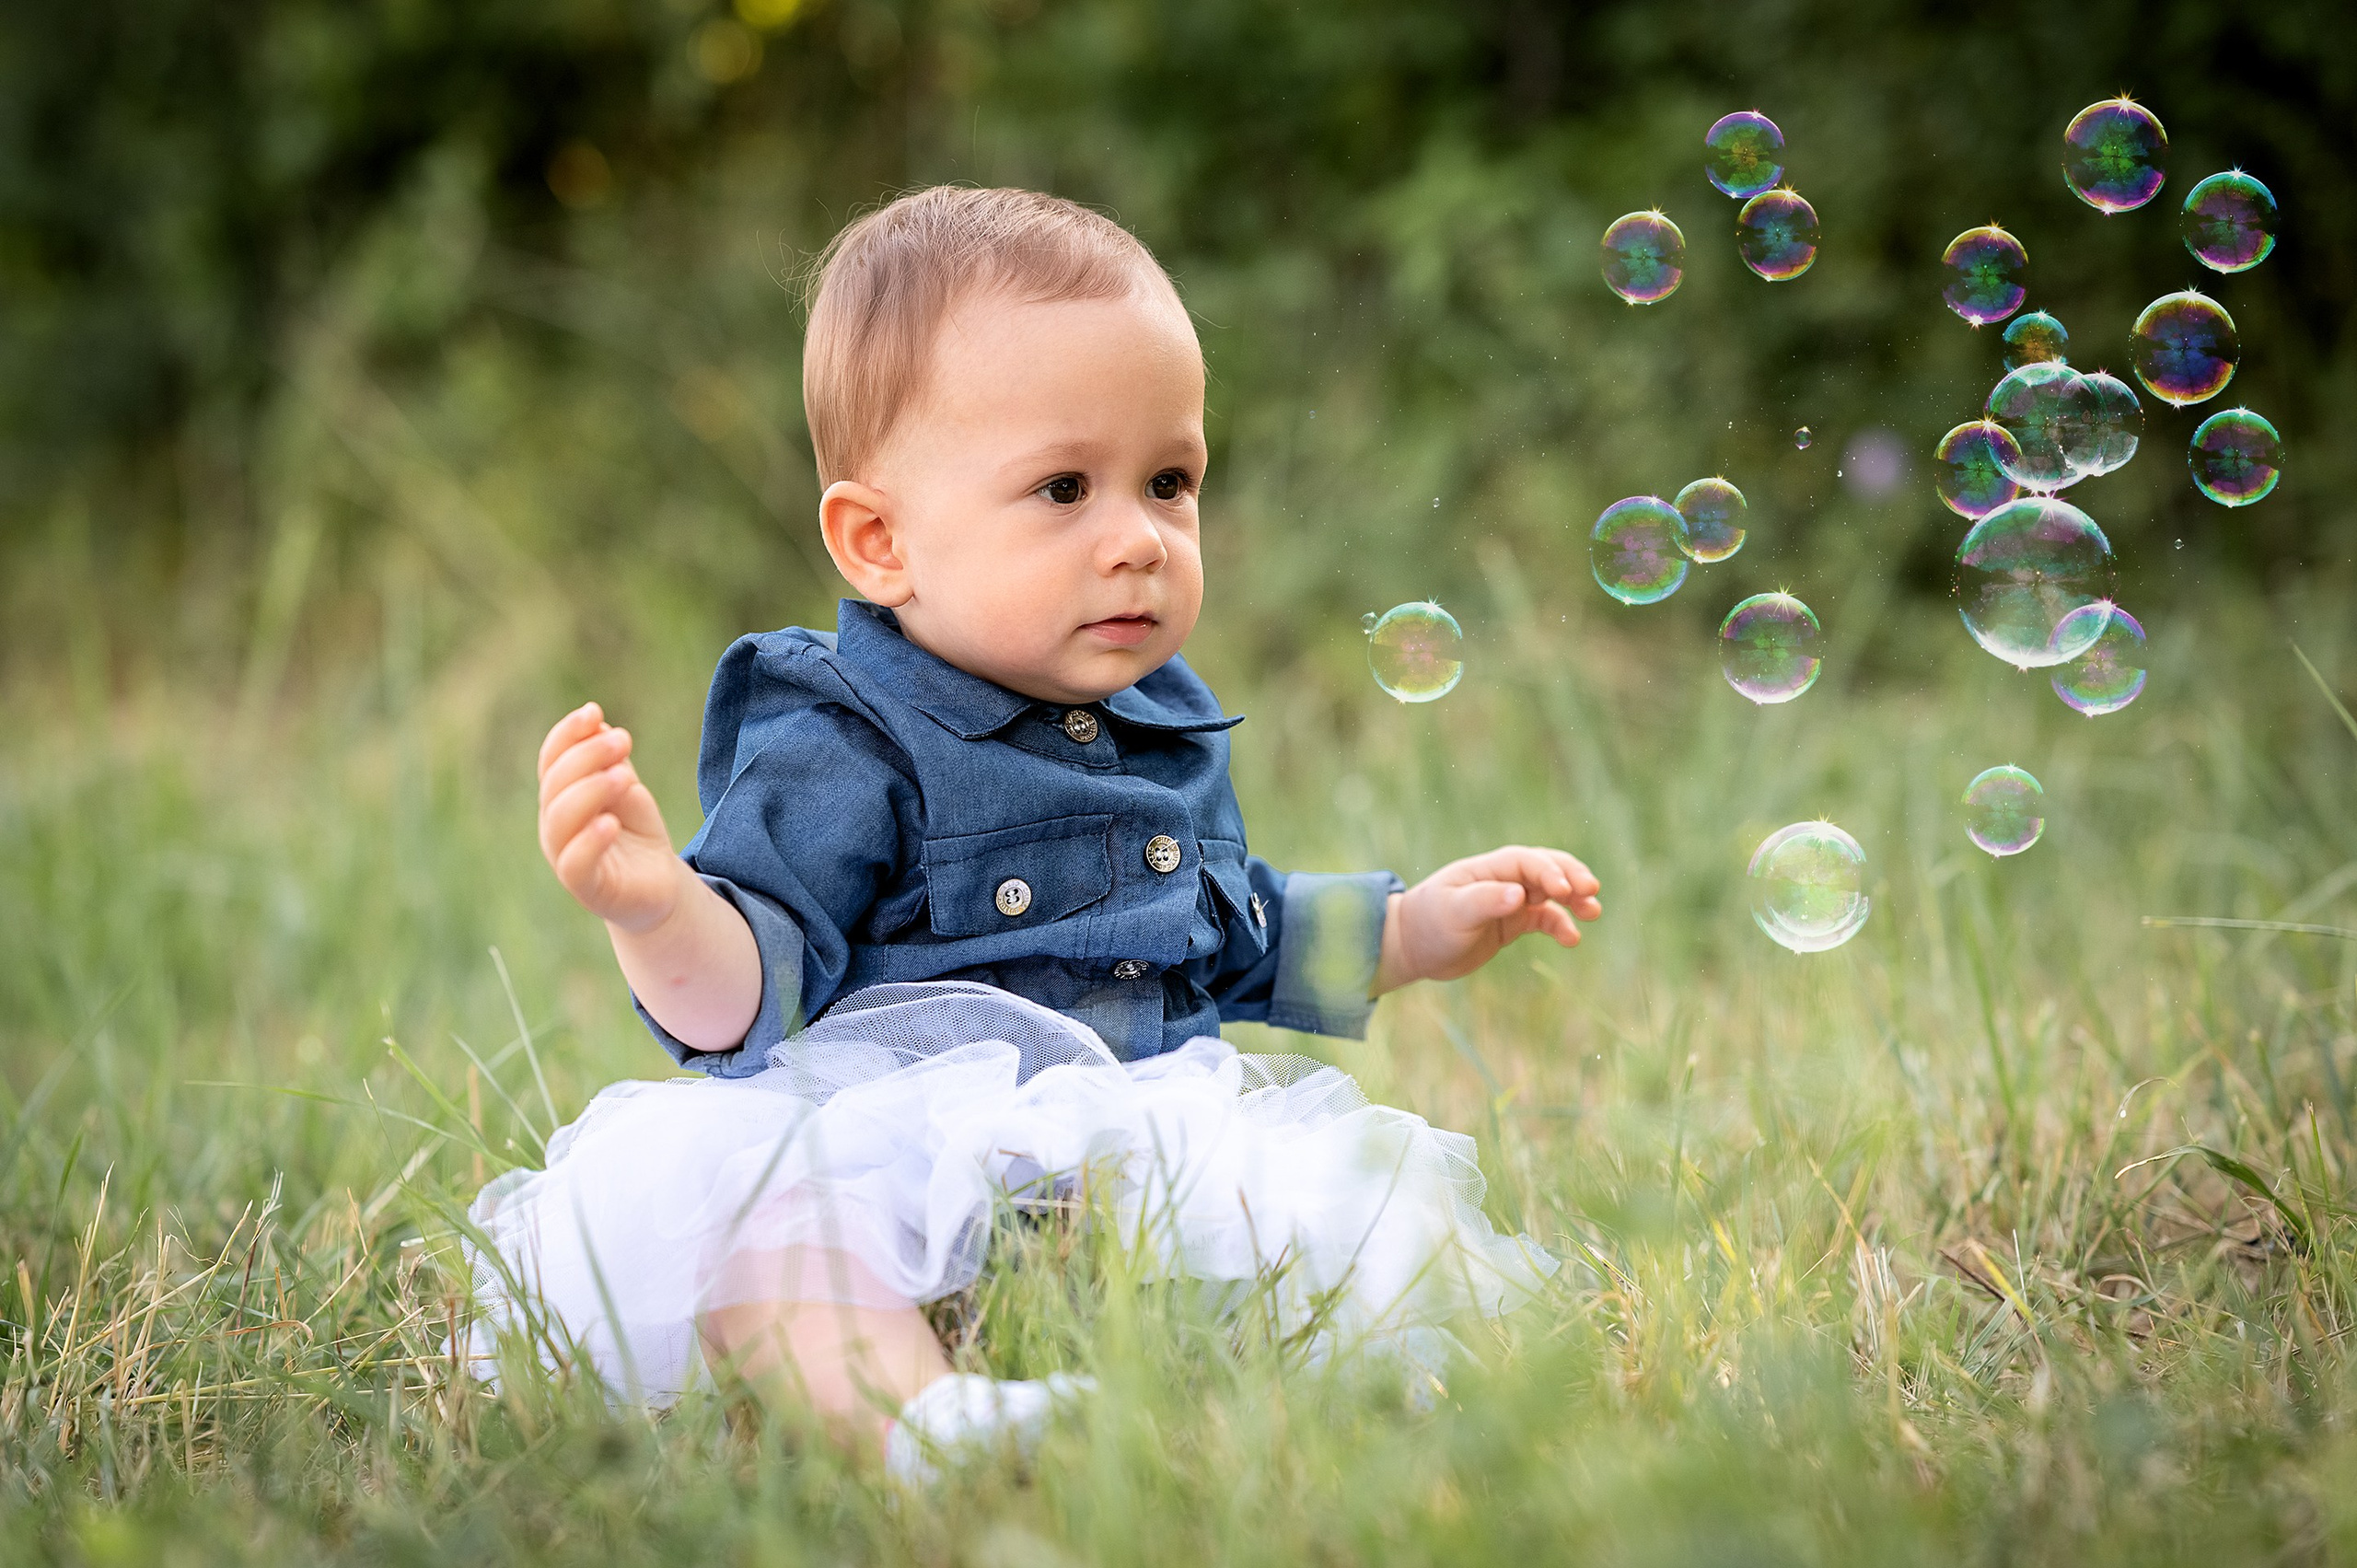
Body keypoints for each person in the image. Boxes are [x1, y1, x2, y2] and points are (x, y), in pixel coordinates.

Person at [471, 186, 1603, 1479]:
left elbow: (1231, 939)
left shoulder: (1162, 729)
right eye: (1064, 488)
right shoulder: (839, 735)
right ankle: (926, 1426)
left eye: (1169, 483)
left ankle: (1199, 1406)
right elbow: (748, 994)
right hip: (880, 1150)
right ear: (880, 541)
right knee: (773, 1251)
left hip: (1113, 1154)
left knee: (1295, 1230)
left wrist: (1406, 930)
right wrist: (657, 909)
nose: (1137, 540)